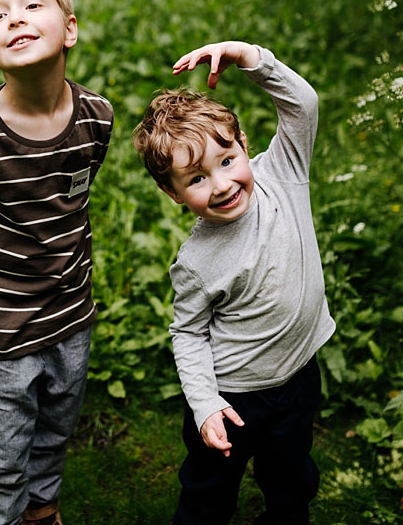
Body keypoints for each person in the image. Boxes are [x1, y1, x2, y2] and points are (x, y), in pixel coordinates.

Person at [132, 41, 335, 524]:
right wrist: (204, 405)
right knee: (208, 492)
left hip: (298, 374)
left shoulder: (282, 174)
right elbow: (188, 332)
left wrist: (249, 57)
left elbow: (303, 105)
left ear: (243, 145)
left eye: (226, 161)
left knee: (292, 481)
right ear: (173, 193)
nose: (221, 184)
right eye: (196, 178)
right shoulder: (198, 260)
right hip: (234, 398)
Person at [0, 0, 113, 525]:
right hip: (0, 323)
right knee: (2, 451)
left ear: (69, 28)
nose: (16, 18)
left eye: (33, 5)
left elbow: (77, 194)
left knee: (54, 428)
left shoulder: (97, 117)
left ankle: (41, 510)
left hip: (71, 309)